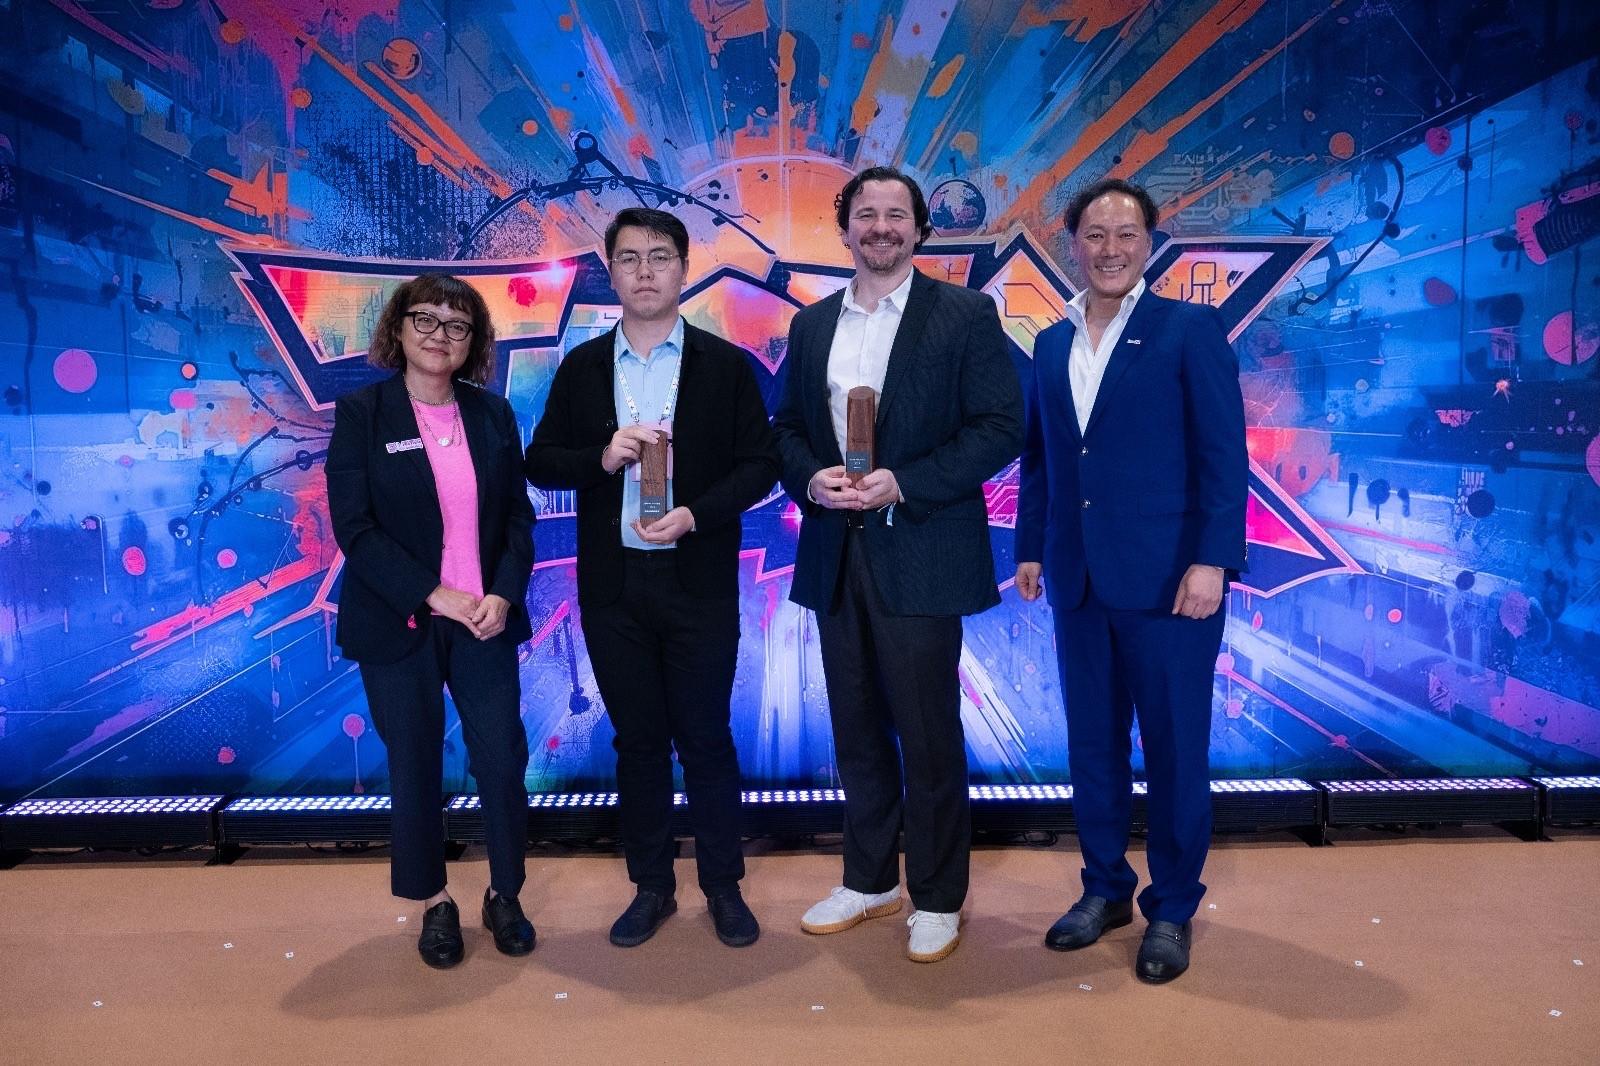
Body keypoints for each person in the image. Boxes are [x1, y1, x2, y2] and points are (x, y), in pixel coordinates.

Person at [771, 166, 1023, 963]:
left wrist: (903, 482)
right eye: (866, 215)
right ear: (845, 230)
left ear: (919, 229)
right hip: (836, 551)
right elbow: (783, 430)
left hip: (922, 547)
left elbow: (998, 428)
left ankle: (940, 894)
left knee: (927, 731)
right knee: (856, 727)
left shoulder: (964, 314)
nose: (880, 227)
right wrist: (811, 477)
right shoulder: (812, 326)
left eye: (896, 215)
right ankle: (872, 878)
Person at [524, 207, 778, 948]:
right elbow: (542, 460)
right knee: (636, 741)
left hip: (697, 582)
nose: (644, 272)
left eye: (659, 257)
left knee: (705, 737)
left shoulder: (724, 366)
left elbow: (760, 465)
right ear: (610, 269)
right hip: (614, 588)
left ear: (683, 269)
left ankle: (723, 887)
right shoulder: (581, 367)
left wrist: (696, 513)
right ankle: (652, 885)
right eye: (629, 258)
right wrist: (601, 458)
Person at [1015, 178, 1248, 983]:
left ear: (1150, 243)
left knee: (1178, 753)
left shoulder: (1188, 328)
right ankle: (1105, 888)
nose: (1109, 250)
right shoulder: (1050, 342)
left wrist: (1214, 559)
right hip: (1078, 578)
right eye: (1094, 235)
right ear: (1070, 244)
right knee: (1093, 747)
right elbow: (1044, 454)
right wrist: (1031, 547)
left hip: (1172, 585)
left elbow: (1224, 456)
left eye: (1126, 235)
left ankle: (1173, 906)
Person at [326, 273, 537, 969]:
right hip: (401, 622)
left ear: (472, 341)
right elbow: (356, 529)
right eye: (427, 320)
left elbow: (515, 517)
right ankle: (434, 902)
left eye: (457, 325)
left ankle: (505, 892)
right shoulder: (363, 413)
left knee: (502, 759)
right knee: (413, 762)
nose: (439, 335)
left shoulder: (492, 414)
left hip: (485, 618)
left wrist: (502, 594)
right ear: (399, 327)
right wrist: (432, 593)